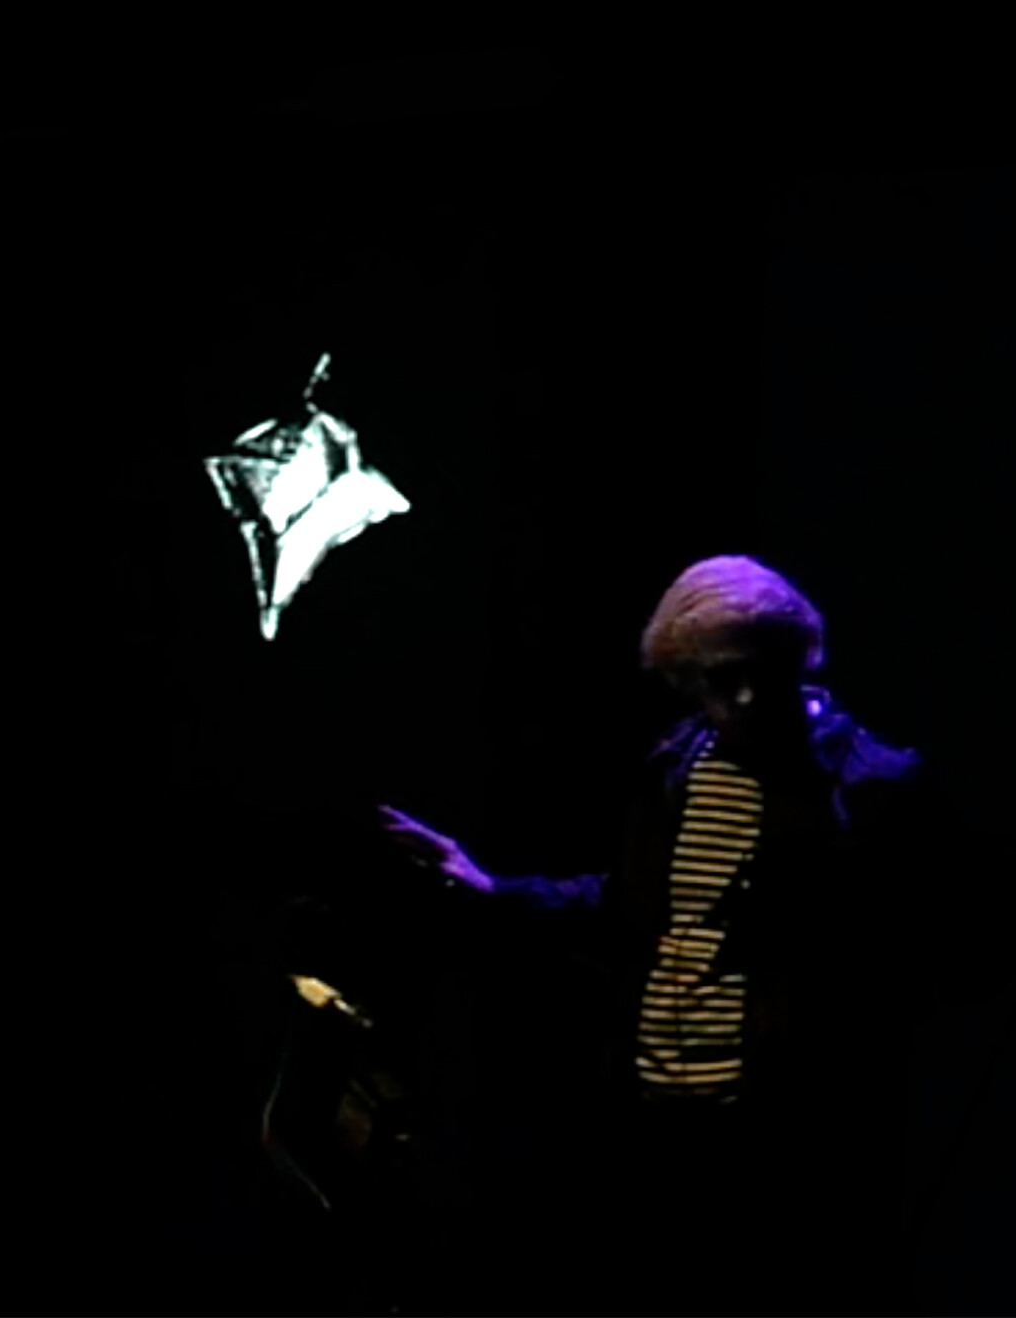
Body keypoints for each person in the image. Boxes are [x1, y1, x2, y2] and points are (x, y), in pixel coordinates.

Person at [379, 555, 925, 1316]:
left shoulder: (871, 789)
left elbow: (910, 967)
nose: (734, 699)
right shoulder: (682, 764)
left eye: (752, 674)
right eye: (710, 680)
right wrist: (492, 887)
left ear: (796, 659)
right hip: (659, 1122)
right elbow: (635, 905)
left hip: (785, 1143)